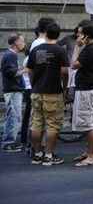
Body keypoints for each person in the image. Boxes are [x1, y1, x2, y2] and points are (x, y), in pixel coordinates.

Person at [24, 22, 69, 166]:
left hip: (37, 91)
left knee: (36, 123)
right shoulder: (60, 50)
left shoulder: (36, 49)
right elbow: (64, 72)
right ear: (58, 34)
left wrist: (33, 84)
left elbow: (29, 71)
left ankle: (37, 154)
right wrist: (65, 87)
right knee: (52, 124)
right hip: (53, 92)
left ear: (45, 33)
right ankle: (48, 155)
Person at [70, 24, 93, 167]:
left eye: (80, 33)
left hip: (87, 90)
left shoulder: (91, 49)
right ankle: (89, 151)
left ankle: (92, 155)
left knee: (88, 123)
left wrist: (77, 47)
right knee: (87, 121)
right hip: (86, 88)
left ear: (86, 36)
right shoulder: (92, 48)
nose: (78, 36)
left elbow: (73, 64)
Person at [1, 35, 26, 152]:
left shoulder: (10, 55)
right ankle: (8, 143)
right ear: (15, 43)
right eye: (22, 41)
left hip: (13, 90)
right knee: (13, 117)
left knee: (14, 116)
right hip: (12, 91)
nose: (24, 43)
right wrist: (25, 70)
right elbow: (12, 73)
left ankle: (10, 142)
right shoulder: (10, 55)